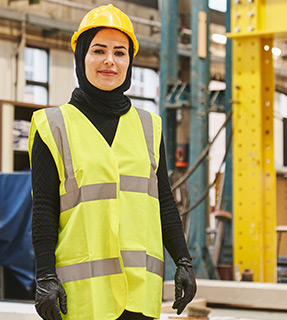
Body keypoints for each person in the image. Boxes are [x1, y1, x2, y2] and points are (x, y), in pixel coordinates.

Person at [28, 4, 196, 320]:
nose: (109, 60)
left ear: (129, 62)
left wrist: (183, 261)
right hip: (81, 298)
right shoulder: (53, 126)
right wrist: (45, 276)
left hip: (139, 295)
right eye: (99, 50)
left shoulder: (150, 126)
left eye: (120, 52)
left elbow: (163, 202)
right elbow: (44, 210)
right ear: (82, 57)